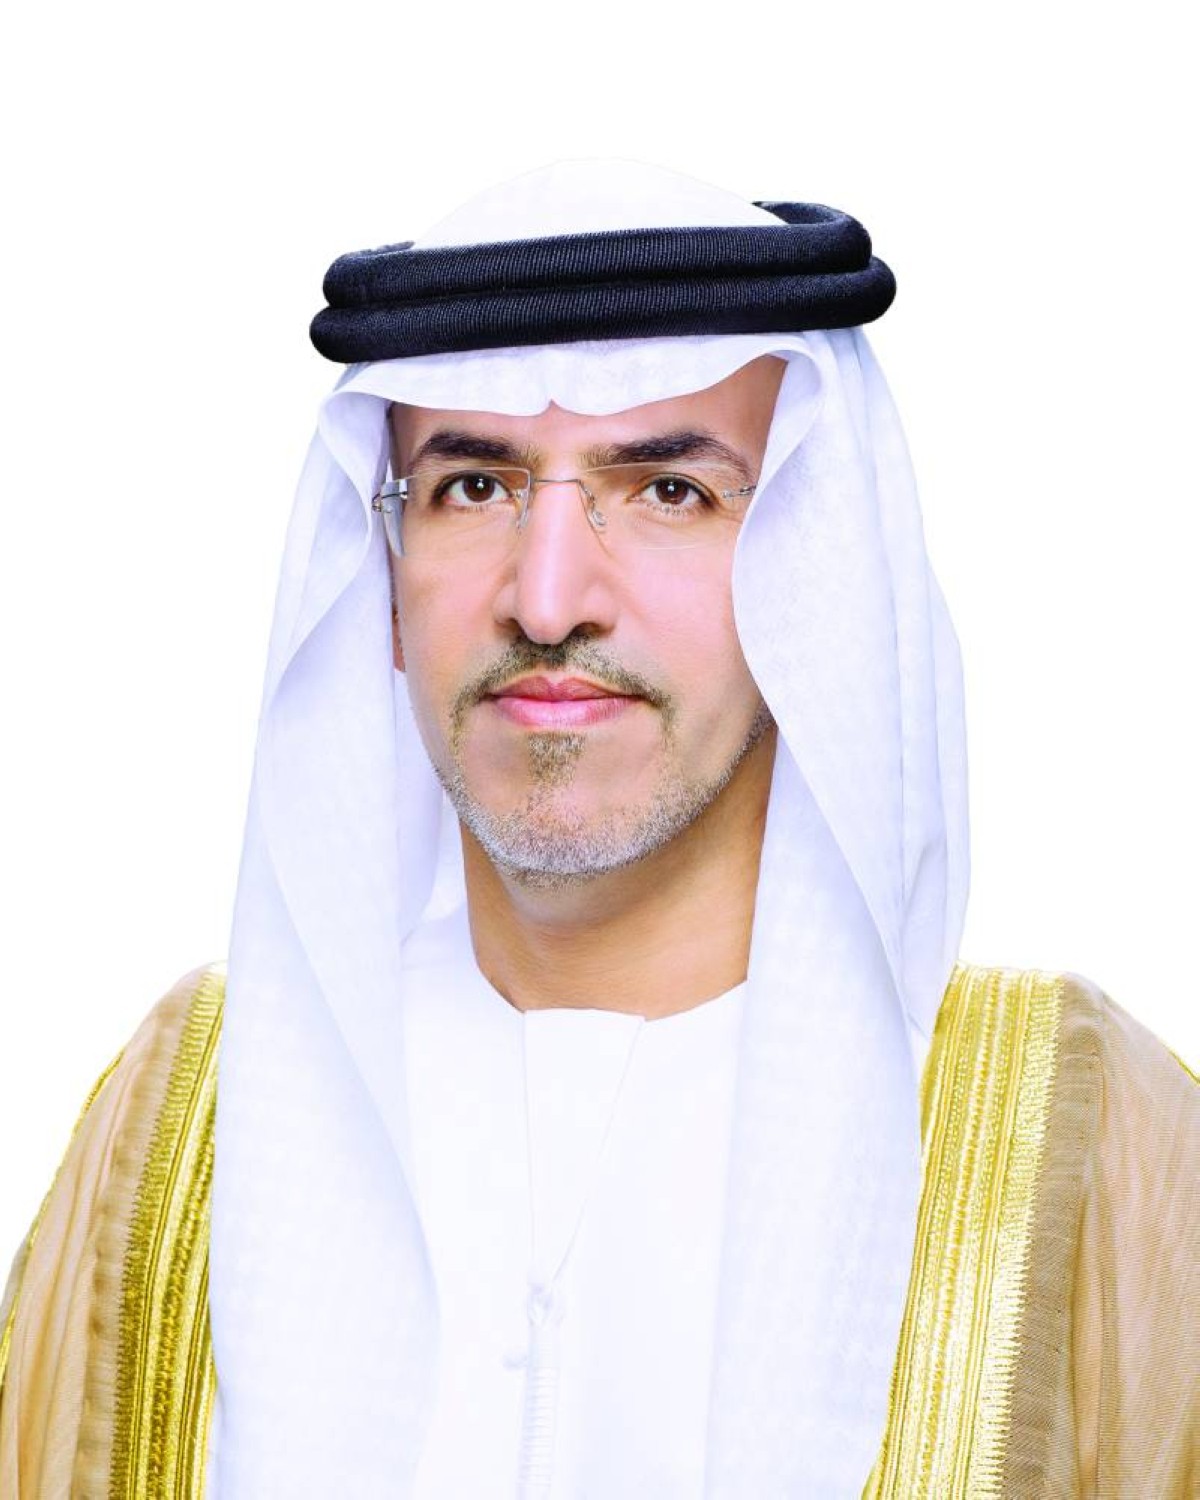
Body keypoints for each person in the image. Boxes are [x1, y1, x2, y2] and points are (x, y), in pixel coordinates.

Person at [1, 161, 1195, 1499]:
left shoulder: (1080, 1140)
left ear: (814, 572)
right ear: (383, 577)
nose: (549, 597)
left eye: (669, 490)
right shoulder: (185, 1117)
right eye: (472, 487)